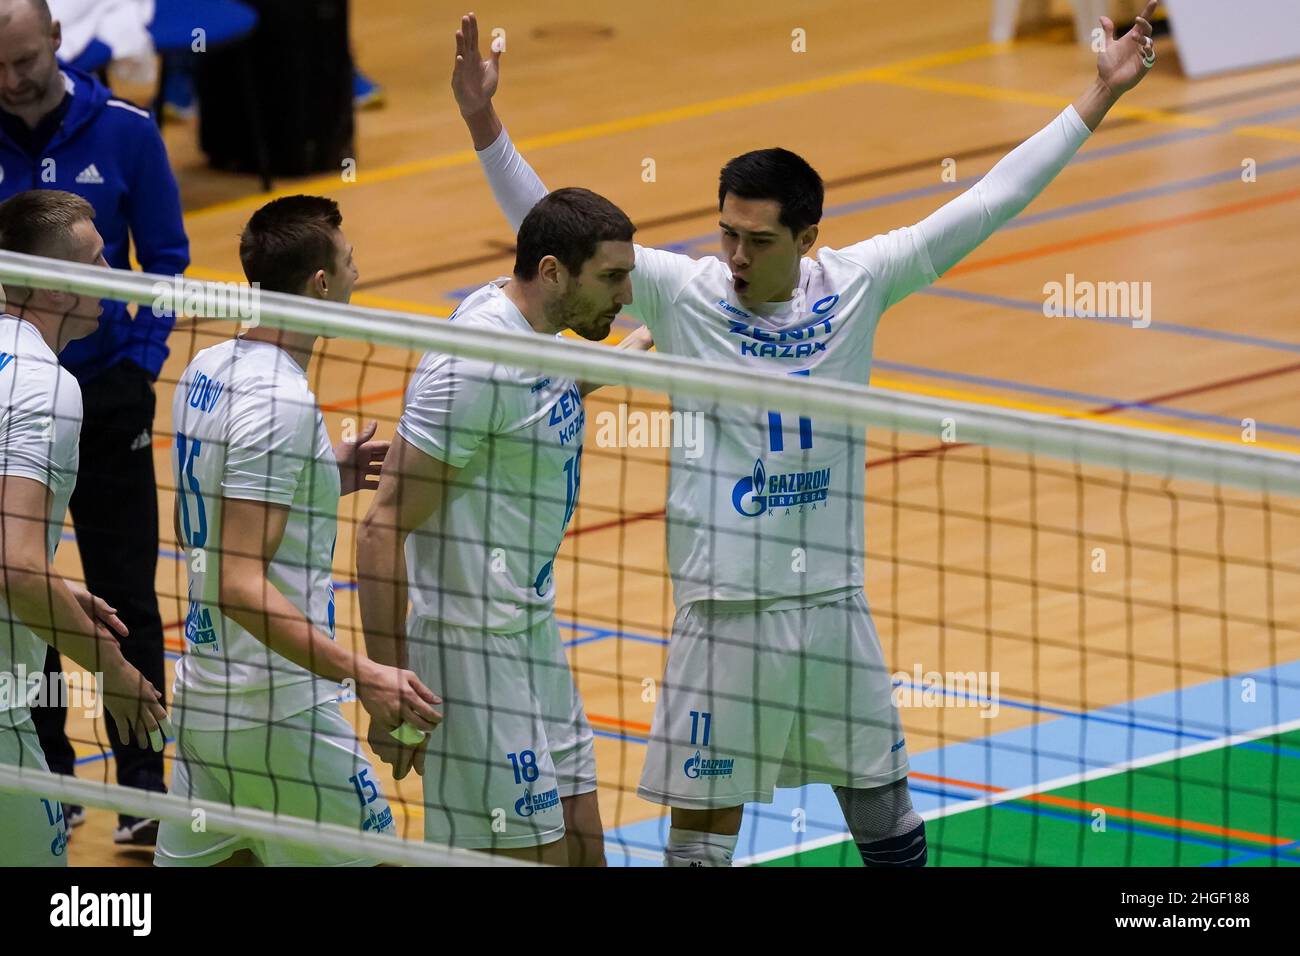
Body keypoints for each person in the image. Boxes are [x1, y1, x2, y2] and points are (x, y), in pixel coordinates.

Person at [451, 3, 1162, 866]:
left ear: (807, 237)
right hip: (724, 612)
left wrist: (1099, 93)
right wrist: (485, 123)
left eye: (757, 241)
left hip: (831, 602)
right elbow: (552, 224)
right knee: (699, 841)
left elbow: (992, 199)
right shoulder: (688, 294)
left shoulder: (861, 282)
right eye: (726, 234)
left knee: (887, 819)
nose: (736, 256)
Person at [356, 187, 651, 865]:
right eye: (610, 279)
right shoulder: (472, 359)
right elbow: (381, 527)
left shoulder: (537, 331)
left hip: (529, 631)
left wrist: (636, 347)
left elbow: (540, 398)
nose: (623, 294)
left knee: (583, 840)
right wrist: (390, 688)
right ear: (552, 272)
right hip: (469, 651)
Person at [153, 196, 441, 867]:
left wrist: (313, 477)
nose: (356, 274)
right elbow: (238, 582)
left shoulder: (207, 369)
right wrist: (365, 672)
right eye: (349, 263)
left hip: (207, 705)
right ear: (320, 283)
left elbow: (198, 517)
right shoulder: (280, 400)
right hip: (279, 715)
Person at [0, 0, 188, 844]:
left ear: (55, 43)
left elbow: (167, 259)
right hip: (12, 395)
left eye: (24, 63)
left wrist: (138, 362)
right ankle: (50, 775)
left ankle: (143, 789)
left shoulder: (125, 131)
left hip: (109, 401)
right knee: (25, 592)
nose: (10, 81)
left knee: (123, 595)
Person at [0, 189, 169, 865]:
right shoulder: (46, 386)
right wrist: (113, 669)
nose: (115, 277)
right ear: (54, 284)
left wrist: (57, 592)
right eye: (98, 262)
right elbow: (15, 564)